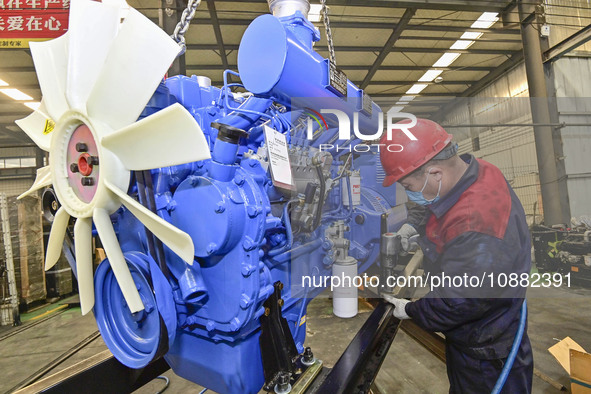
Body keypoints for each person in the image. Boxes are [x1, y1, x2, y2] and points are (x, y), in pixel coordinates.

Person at [379, 118, 533, 393]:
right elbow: (434, 202)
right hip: (488, 321)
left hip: (486, 349)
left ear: (436, 173)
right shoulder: (478, 171)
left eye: (410, 188)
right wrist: (413, 225)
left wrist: (411, 309)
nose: (411, 196)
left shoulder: (477, 224)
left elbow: (459, 299)